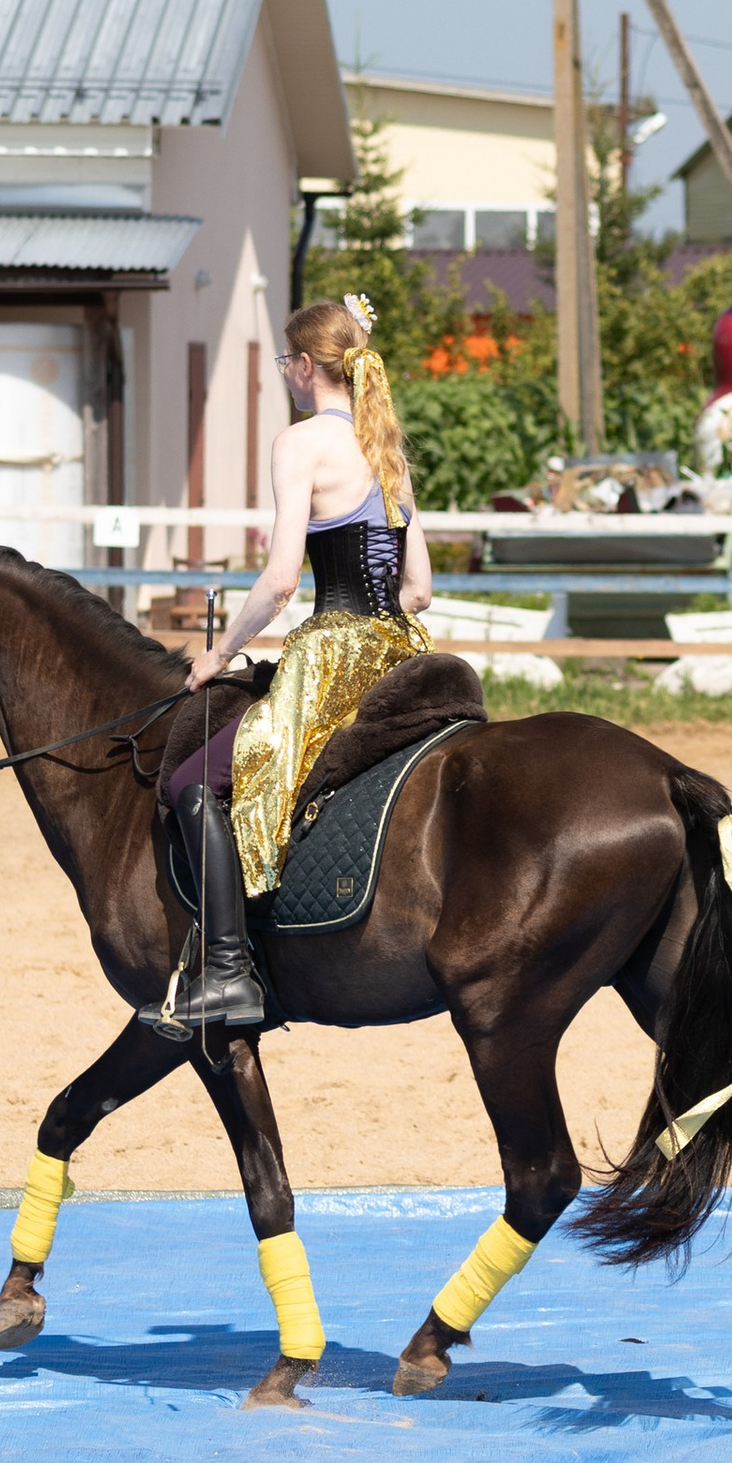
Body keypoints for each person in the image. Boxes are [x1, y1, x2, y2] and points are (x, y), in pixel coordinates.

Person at [159, 293, 433, 1038]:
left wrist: (217, 654)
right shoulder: (388, 449)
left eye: (286, 360)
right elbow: (419, 590)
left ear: (307, 366)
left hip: (335, 651)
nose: (286, 371)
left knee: (193, 783)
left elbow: (282, 580)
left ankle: (225, 971)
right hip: (402, 653)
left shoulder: (301, 443)